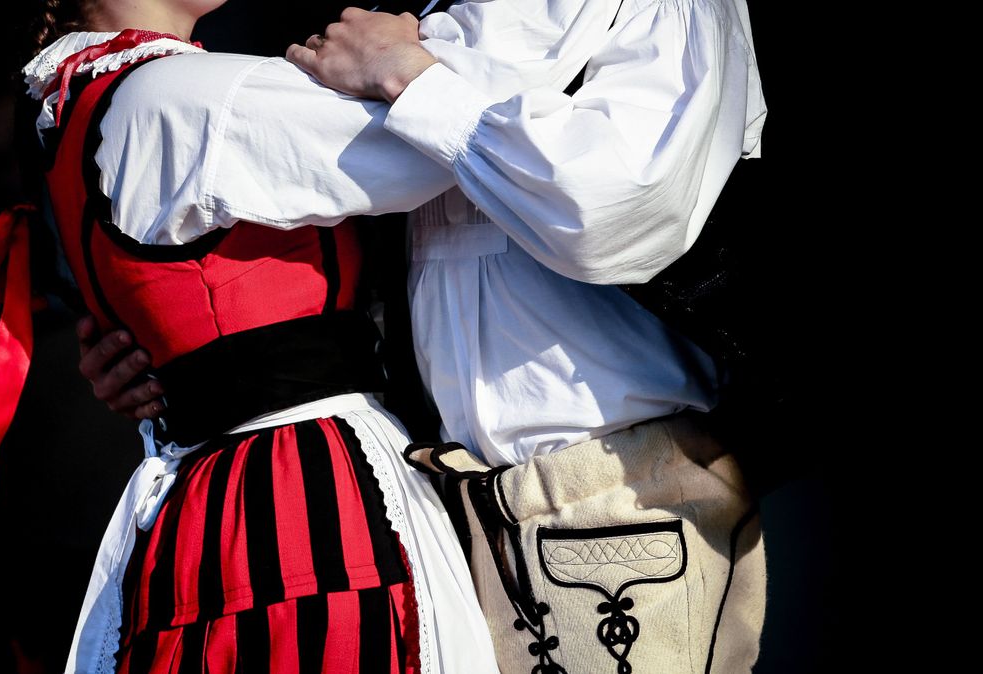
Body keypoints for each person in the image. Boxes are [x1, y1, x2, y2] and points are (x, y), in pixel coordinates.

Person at [81, 0, 769, 672]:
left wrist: (408, 76)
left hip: (615, 503)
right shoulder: (424, 9)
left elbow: (613, 210)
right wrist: (179, 348)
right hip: (449, 506)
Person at [17, 2, 507, 673]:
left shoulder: (90, 99)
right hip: (297, 500)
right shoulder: (176, 97)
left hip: (216, 498)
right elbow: (460, 142)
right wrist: (398, 54)